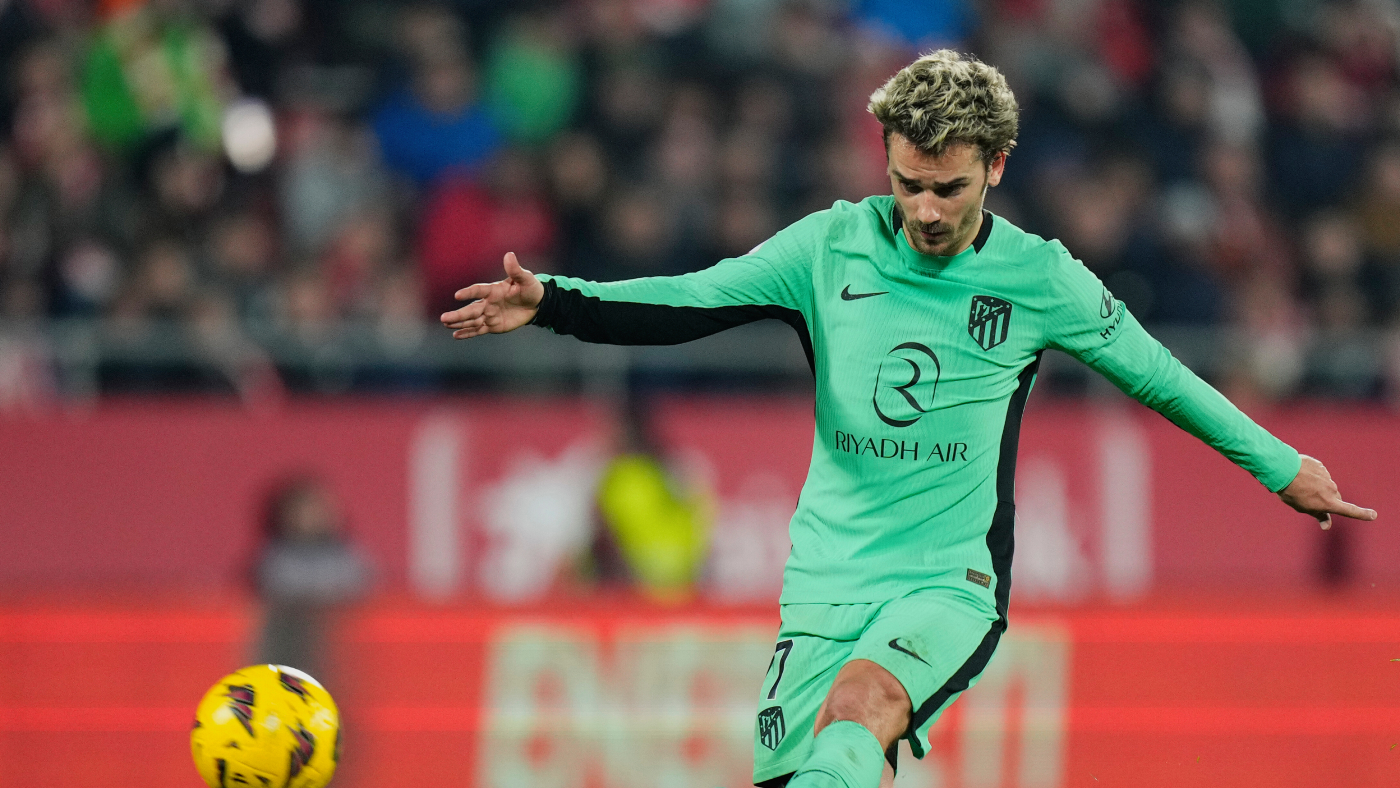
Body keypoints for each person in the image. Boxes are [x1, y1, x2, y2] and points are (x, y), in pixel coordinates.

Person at [440, 50, 1377, 788]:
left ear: (996, 166)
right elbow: (692, 299)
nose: (925, 210)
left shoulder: (1040, 278)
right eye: (908, 182)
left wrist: (1280, 464)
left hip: (947, 583)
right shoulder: (828, 248)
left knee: (862, 707)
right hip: (825, 582)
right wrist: (553, 300)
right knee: (816, 762)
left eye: (949, 188)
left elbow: (1162, 377)